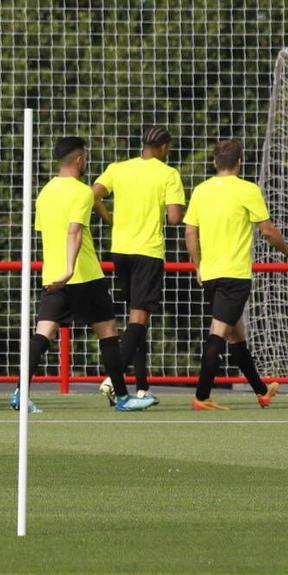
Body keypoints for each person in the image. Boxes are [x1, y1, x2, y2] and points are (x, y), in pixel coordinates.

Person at [183, 139, 288, 411]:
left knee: (237, 336)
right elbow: (268, 231)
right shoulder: (247, 189)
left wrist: (198, 265)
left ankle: (262, 391)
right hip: (234, 275)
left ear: (215, 162)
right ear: (239, 163)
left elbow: (190, 231)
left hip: (211, 274)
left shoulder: (201, 191)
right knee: (218, 333)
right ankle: (201, 396)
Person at [24, 137, 135, 415]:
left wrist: (59, 270)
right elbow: (74, 231)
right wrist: (71, 268)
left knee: (43, 333)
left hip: (52, 276)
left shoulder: (46, 192)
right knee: (108, 332)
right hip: (83, 275)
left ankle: (19, 392)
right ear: (79, 159)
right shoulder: (82, 192)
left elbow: (47, 232)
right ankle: (121, 396)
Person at [92, 124, 185, 408]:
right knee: (139, 319)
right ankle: (113, 378)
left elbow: (92, 194)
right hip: (148, 251)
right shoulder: (168, 174)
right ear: (165, 147)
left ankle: (143, 388)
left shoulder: (118, 168)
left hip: (120, 250)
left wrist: (111, 219)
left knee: (137, 319)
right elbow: (174, 217)